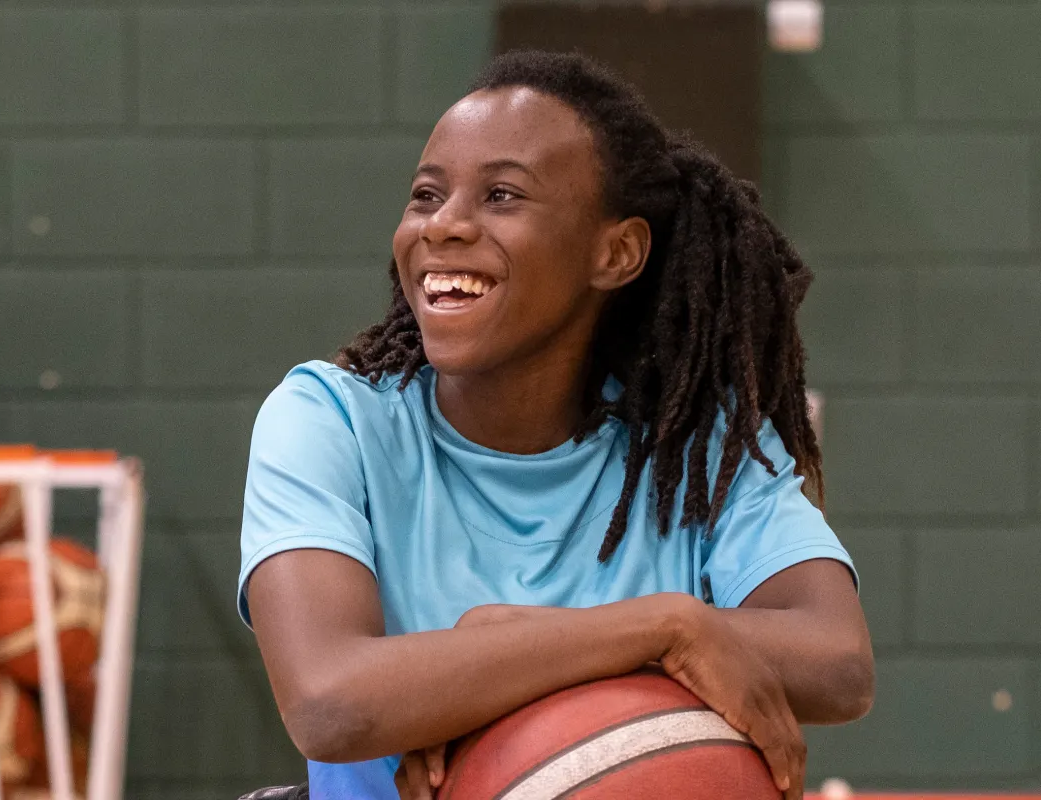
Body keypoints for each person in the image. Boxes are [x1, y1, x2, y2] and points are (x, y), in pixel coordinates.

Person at [234, 51, 873, 800]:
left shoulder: (697, 451)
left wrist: (489, 659)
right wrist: (663, 630)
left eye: (501, 195)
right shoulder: (330, 421)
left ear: (617, 252)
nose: (444, 226)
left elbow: (838, 662)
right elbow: (328, 702)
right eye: (425, 196)